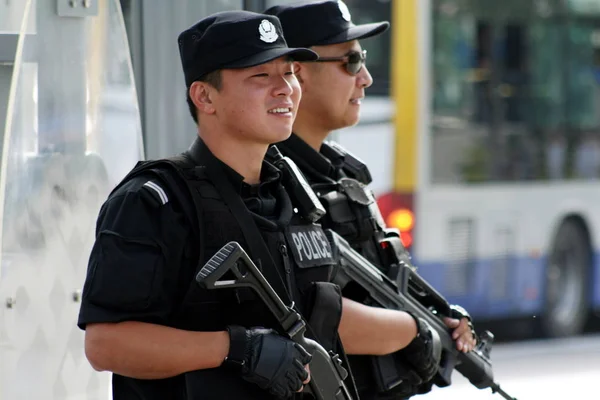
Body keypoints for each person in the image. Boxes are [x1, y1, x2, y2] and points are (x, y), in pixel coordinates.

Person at [77, 9, 440, 400]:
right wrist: (236, 349)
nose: (284, 88)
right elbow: (107, 345)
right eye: (260, 76)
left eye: (288, 73)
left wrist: (416, 328)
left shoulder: (294, 199)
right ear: (205, 96)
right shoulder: (156, 200)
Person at [265, 1, 478, 399]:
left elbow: (382, 274)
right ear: (297, 73)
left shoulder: (342, 171)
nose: (364, 77)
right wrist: (413, 330)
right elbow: (307, 312)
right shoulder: (272, 181)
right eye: (350, 61)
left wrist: (436, 313)